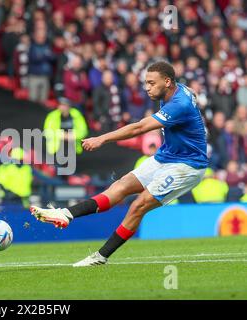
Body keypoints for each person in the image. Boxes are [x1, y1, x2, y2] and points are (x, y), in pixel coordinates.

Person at [30, 61, 208, 266]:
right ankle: (66, 214)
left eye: (152, 83)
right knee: (120, 186)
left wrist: (102, 139)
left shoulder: (179, 105)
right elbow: (191, 92)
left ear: (167, 82)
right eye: (146, 83)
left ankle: (100, 257)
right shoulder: (178, 91)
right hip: (167, 156)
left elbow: (138, 128)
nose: (147, 88)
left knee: (138, 205)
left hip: (188, 165)